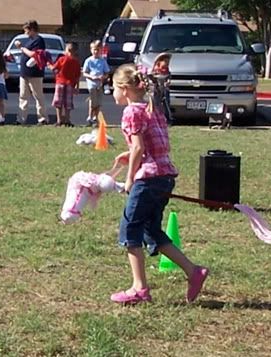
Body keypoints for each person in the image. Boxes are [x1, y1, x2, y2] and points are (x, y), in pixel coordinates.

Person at [110, 63, 209, 305]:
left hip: (148, 179)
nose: (111, 93)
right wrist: (132, 156)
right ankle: (193, 271)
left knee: (130, 229)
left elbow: (138, 146)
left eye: (112, 87)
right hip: (164, 176)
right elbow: (152, 145)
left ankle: (139, 288)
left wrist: (130, 177)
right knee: (150, 229)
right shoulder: (153, 109)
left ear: (124, 89)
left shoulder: (131, 112)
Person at [14, 20, 49, 125]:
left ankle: (42, 119)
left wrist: (21, 48)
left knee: (38, 96)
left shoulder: (39, 40)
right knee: (23, 96)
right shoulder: (29, 41)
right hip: (24, 73)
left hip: (35, 73)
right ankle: (21, 119)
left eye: (27, 31)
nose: (26, 33)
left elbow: (34, 54)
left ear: (33, 29)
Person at [48, 42, 81, 127]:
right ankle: (67, 120)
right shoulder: (76, 62)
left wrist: (48, 64)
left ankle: (59, 120)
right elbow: (77, 76)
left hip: (60, 83)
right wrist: (77, 87)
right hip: (70, 84)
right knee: (68, 103)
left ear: (68, 50)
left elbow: (54, 68)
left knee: (58, 102)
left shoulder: (62, 59)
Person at [82, 40, 110, 126]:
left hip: (100, 84)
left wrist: (103, 77)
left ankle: (95, 117)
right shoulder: (89, 61)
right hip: (92, 84)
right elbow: (84, 72)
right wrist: (92, 77)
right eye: (94, 50)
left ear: (101, 50)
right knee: (93, 102)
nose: (96, 52)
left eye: (98, 50)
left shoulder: (102, 61)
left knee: (98, 102)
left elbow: (106, 72)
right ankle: (90, 116)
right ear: (91, 50)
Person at [150, 52, 173, 125]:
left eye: (168, 61)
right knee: (156, 103)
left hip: (165, 89)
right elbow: (152, 76)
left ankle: (167, 118)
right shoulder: (156, 69)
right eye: (165, 61)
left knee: (166, 103)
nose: (167, 63)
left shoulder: (167, 70)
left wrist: (168, 81)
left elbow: (168, 76)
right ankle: (155, 117)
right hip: (157, 89)